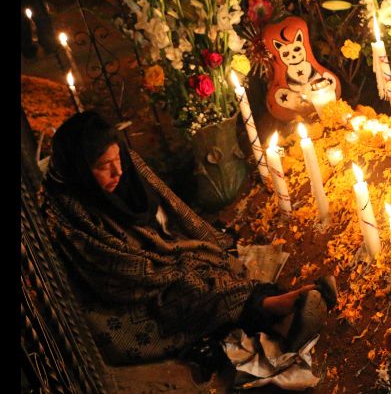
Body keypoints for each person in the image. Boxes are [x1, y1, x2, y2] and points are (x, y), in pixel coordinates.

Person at [41, 112, 335, 373]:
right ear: (81, 169)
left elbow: (166, 213)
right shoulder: (68, 210)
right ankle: (286, 309)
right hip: (127, 297)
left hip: (164, 255)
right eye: (105, 166)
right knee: (190, 289)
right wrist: (168, 265)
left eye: (119, 159)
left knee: (211, 268)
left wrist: (176, 253)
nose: (118, 172)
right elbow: (110, 271)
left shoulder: (126, 169)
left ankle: (283, 313)